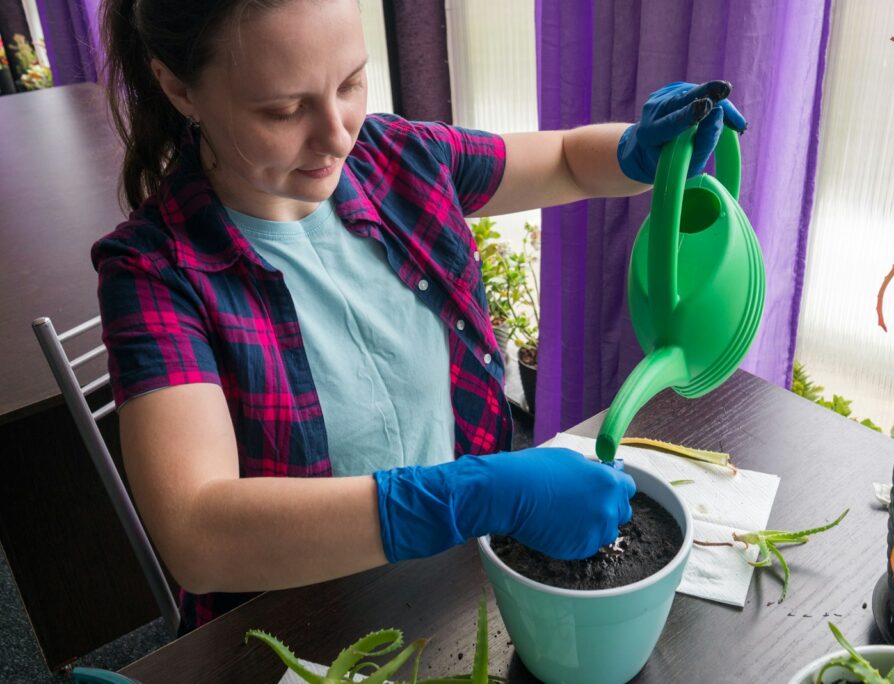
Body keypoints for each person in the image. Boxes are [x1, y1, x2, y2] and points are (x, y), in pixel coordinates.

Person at [95, 0, 747, 633]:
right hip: (302, 634)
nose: (336, 133)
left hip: (460, 593)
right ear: (180, 89)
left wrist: (642, 152)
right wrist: (476, 495)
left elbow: (569, 160)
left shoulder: (398, 159)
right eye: (284, 109)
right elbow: (199, 534)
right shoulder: (156, 274)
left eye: (350, 82)